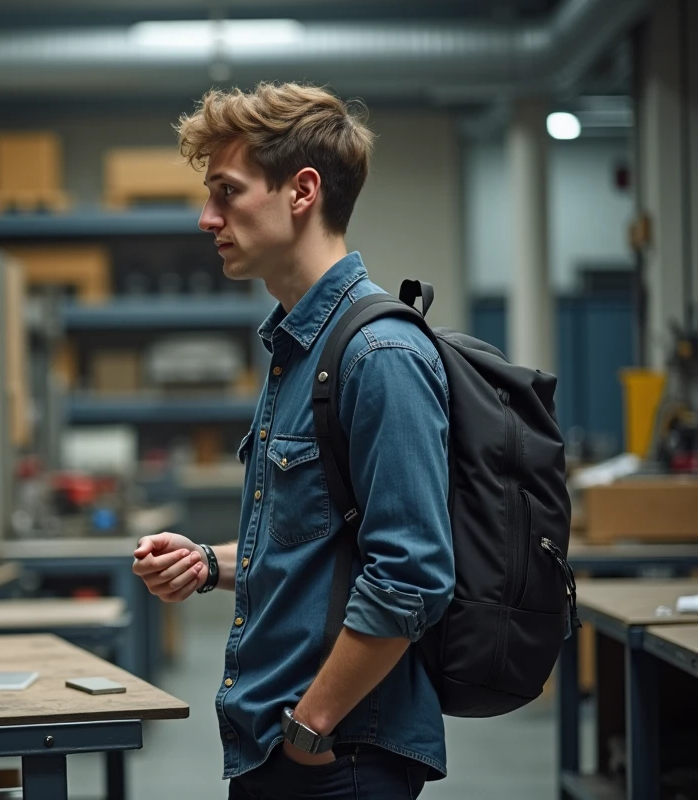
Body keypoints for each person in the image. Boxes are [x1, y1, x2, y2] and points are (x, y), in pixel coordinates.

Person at [132, 82, 455, 799]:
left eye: (227, 191)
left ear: (302, 190)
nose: (206, 216)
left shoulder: (378, 356)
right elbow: (316, 540)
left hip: (337, 757)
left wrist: (312, 725)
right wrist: (210, 562)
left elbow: (411, 576)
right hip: (278, 749)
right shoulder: (299, 347)